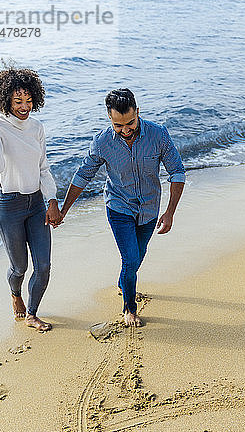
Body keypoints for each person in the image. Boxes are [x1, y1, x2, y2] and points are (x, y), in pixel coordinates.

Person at [59, 88, 185, 327]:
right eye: (118, 125)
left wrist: (170, 212)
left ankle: (122, 283)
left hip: (149, 207)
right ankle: (129, 307)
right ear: (110, 119)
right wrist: (65, 209)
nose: (126, 130)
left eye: (131, 123)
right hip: (119, 206)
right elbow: (82, 175)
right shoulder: (102, 141)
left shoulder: (158, 134)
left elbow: (177, 172)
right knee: (130, 259)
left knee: (139, 255)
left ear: (138, 112)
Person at [0, 65, 62, 332]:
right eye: (18, 101)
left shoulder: (36, 127)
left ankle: (32, 314)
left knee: (43, 265)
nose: (24, 106)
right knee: (19, 267)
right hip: (8, 206)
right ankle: (15, 295)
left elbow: (43, 167)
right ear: (6, 100)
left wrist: (53, 200)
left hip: (36, 204)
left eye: (29, 101)